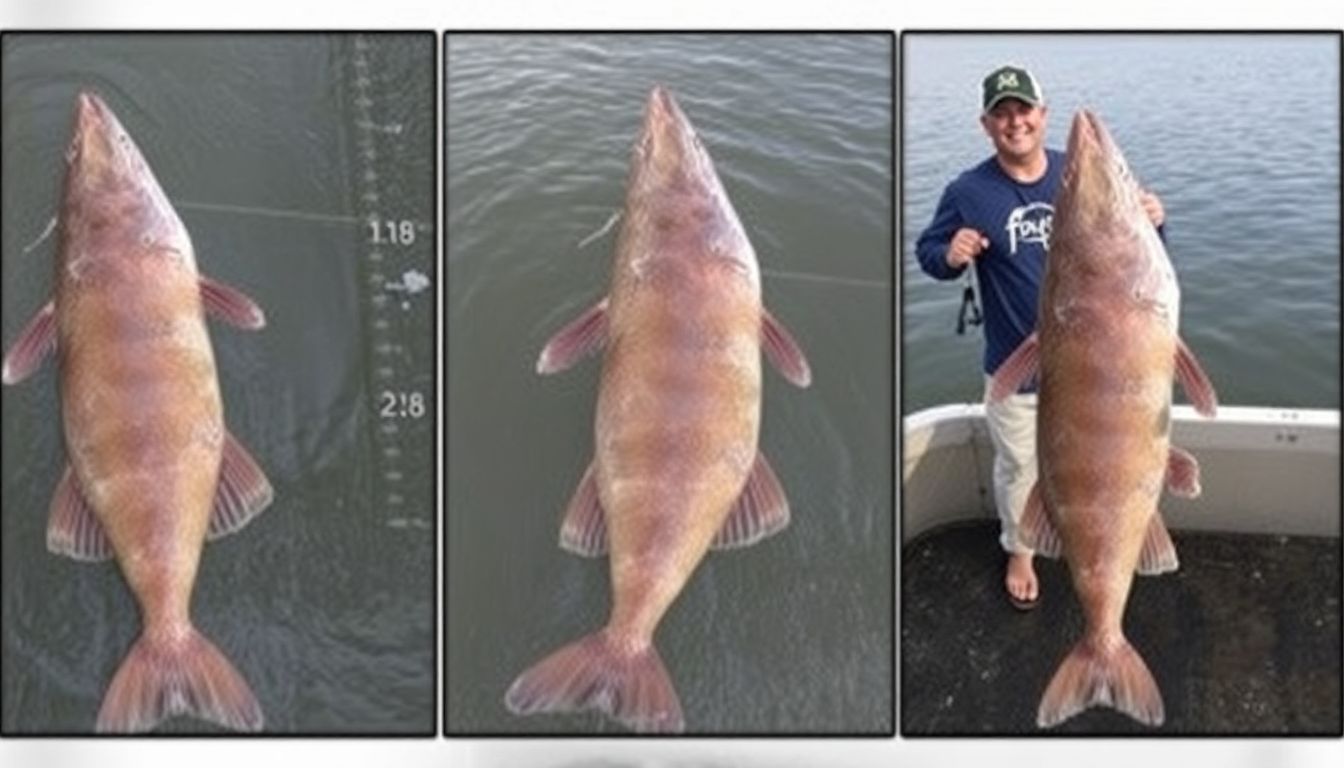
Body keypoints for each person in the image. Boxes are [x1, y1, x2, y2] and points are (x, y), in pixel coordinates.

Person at [915, 65, 1166, 610]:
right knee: (1020, 469)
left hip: (1096, 374)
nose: (1015, 122)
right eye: (1002, 114)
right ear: (986, 124)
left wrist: (1155, 221)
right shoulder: (967, 190)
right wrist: (948, 254)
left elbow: (1139, 263)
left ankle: (1109, 558)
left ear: (1042, 115)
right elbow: (929, 253)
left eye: (1023, 110)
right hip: (1015, 362)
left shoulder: (1076, 176)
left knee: (1109, 467)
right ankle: (1021, 548)